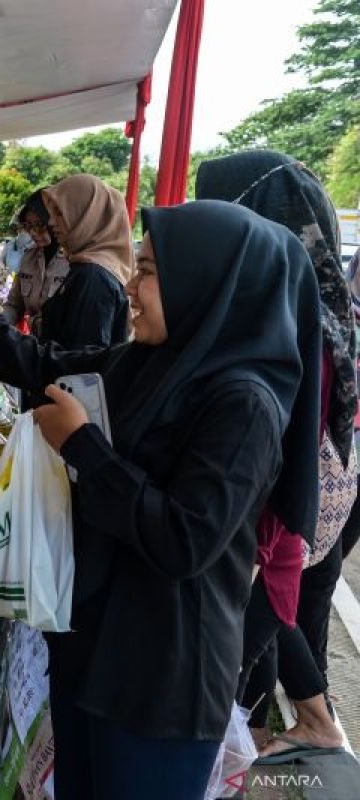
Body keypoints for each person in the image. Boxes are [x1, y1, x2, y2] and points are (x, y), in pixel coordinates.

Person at [0, 199, 321, 799]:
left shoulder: (244, 404)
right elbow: (46, 365)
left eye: (146, 272)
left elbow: (185, 538)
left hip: (160, 683)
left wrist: (84, 446)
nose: (130, 288)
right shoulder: (150, 362)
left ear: (204, 284)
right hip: (95, 652)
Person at [197, 151, 358, 762]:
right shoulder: (294, 302)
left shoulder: (290, 319)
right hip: (297, 510)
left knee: (267, 627)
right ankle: (262, 732)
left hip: (292, 517)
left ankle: (280, 732)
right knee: (267, 632)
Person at [34, 174, 132, 350]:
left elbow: (83, 360)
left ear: (86, 215)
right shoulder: (92, 267)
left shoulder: (93, 276)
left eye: (60, 212)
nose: (51, 222)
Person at [3, 190, 71, 336]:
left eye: (39, 225)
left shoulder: (73, 260)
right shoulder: (28, 258)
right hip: (35, 344)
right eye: (28, 226)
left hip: (63, 348)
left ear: (53, 222)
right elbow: (14, 305)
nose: (33, 233)